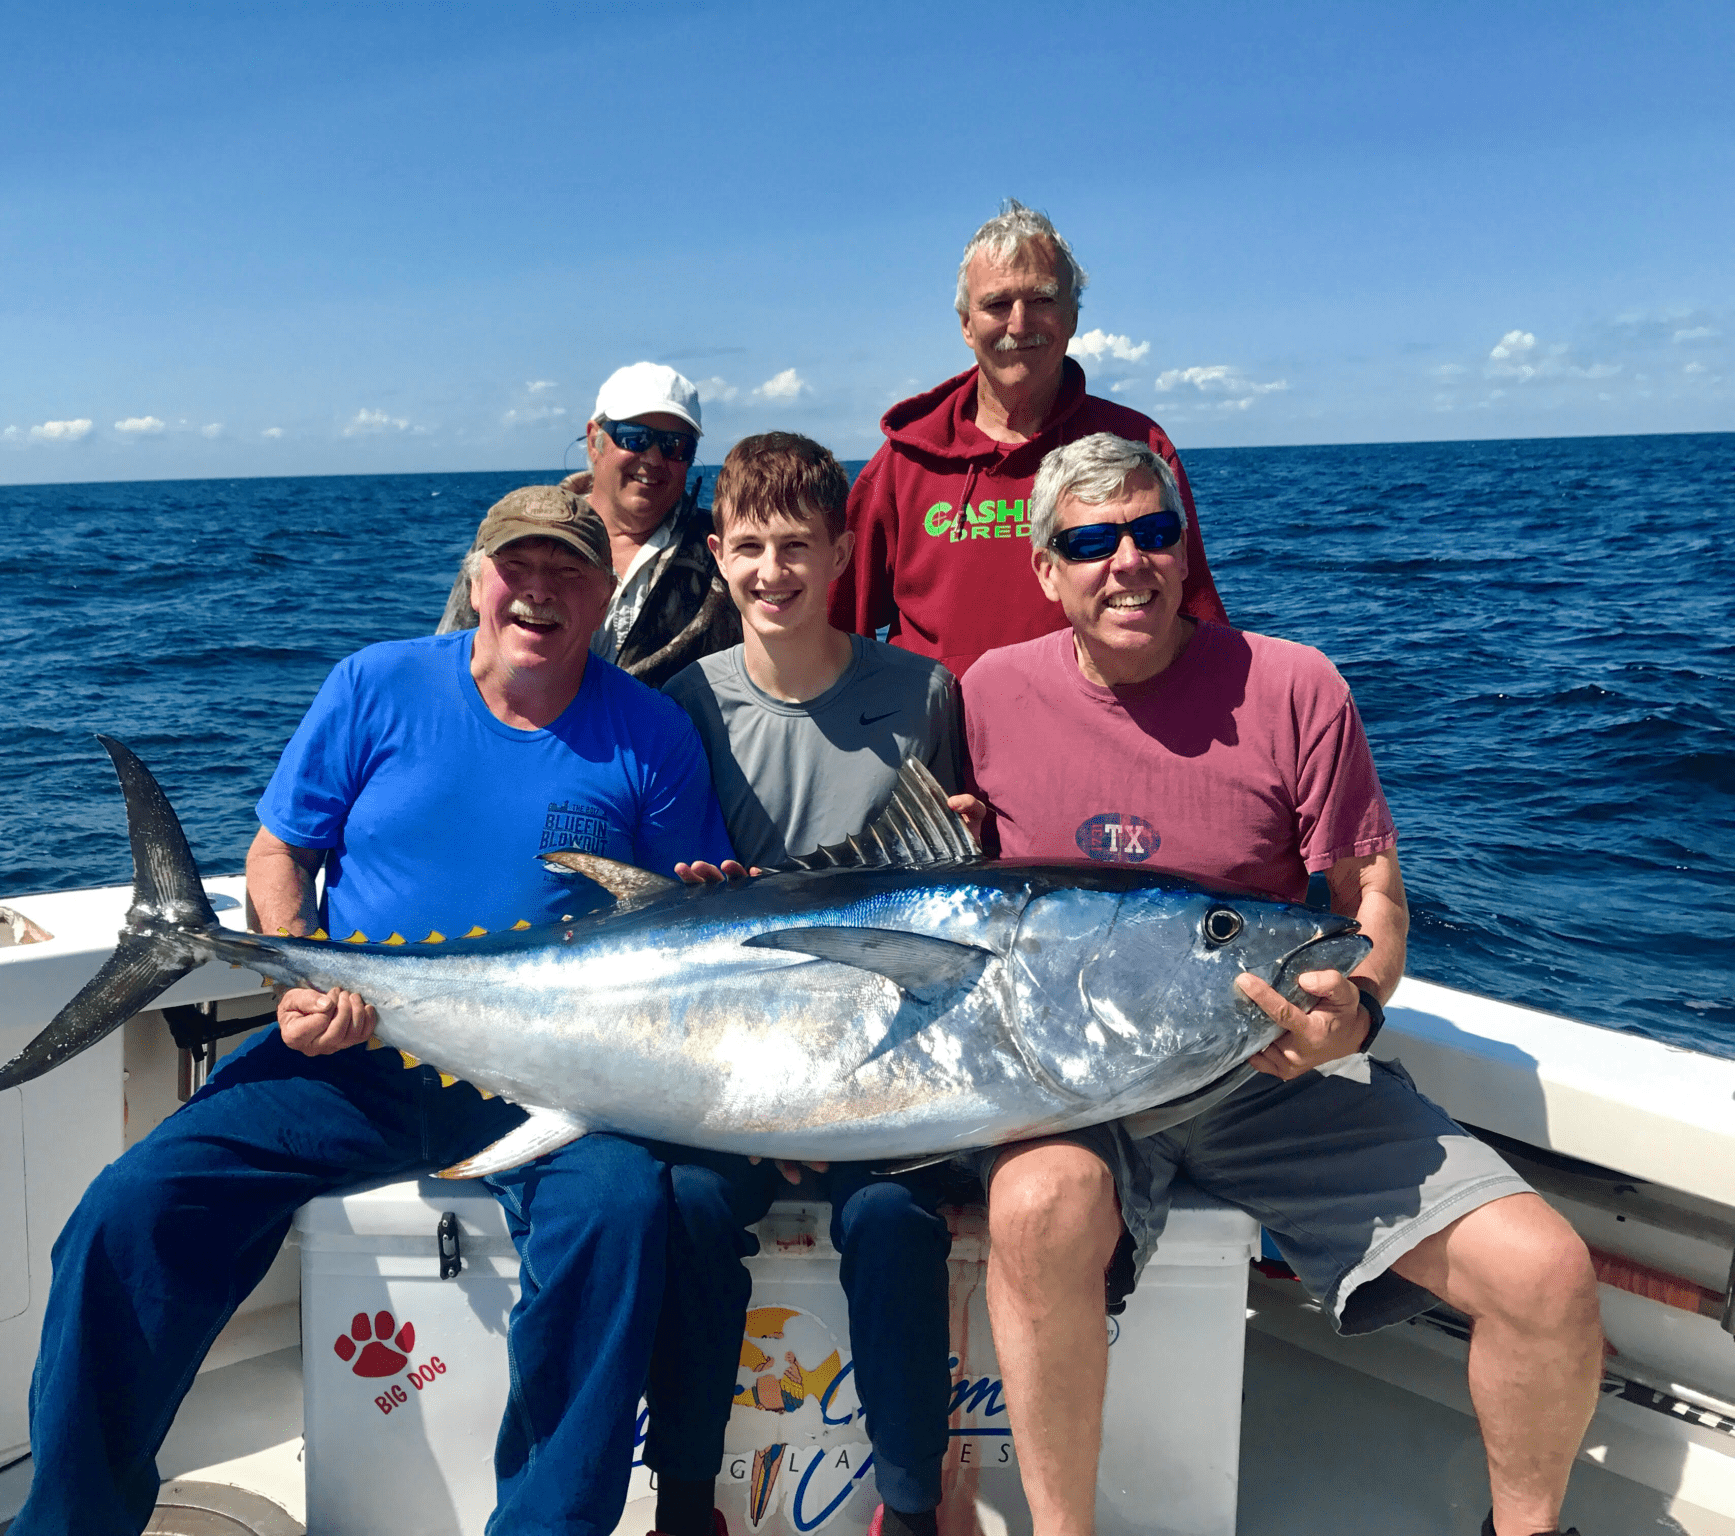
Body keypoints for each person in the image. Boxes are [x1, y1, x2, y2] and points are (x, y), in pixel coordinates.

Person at [14, 485, 740, 1536]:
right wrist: (294, 978)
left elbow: (683, 929)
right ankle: (71, 1520)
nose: (538, 591)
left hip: (554, 1073)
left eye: (569, 573)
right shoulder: (377, 684)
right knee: (135, 1207)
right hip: (351, 1054)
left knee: (617, 1213)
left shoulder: (649, 732)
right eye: (516, 566)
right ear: (478, 577)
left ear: (602, 594)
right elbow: (281, 853)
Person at [962, 434, 1602, 1536]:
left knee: (1546, 1277)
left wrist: (1352, 1009)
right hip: (1080, 1086)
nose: (1129, 561)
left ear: (1184, 545)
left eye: (1153, 531)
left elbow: (1371, 900)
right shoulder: (987, 695)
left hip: (1272, 1070)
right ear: (1046, 570)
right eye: (1091, 541)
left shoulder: (1292, 683)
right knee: (1032, 1206)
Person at [655, 433, 981, 1536]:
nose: (771, 571)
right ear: (716, 553)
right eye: (747, 546)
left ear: (844, 551)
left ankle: (908, 1505)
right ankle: (685, 1496)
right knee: (689, 1210)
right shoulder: (687, 706)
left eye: (797, 546)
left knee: (893, 1218)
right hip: (740, 1058)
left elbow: (958, 888)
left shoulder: (924, 692)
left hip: (891, 1068)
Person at [829, 199, 1228, 681]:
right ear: (966, 324)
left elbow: (1194, 618)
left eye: (1041, 300)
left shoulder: (1137, 445)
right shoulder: (902, 465)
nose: (1020, 324)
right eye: (997, 304)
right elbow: (834, 632)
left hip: (1105, 738)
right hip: (939, 746)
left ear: (1073, 314)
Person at [443, 362, 741, 687]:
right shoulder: (511, 533)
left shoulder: (725, 551)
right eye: (635, 438)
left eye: (676, 445)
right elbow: (451, 657)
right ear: (594, 440)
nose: (654, 459)